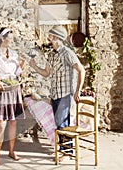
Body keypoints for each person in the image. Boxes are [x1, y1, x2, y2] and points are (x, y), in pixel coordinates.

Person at [29, 25, 85, 158]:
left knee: (62, 124)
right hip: (55, 94)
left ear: (58, 38)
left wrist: (78, 90)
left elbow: (81, 70)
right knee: (59, 123)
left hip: (65, 94)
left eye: (51, 36)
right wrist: (34, 66)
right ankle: (64, 150)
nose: (49, 38)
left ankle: (67, 151)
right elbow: (46, 73)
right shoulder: (52, 54)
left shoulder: (67, 53)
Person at [0, 27, 26, 165]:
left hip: (14, 88)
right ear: (2, 39)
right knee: (1, 124)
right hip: (3, 89)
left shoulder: (13, 54)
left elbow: (17, 72)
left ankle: (11, 151)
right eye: (9, 38)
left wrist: (23, 63)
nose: (11, 41)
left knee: (13, 122)